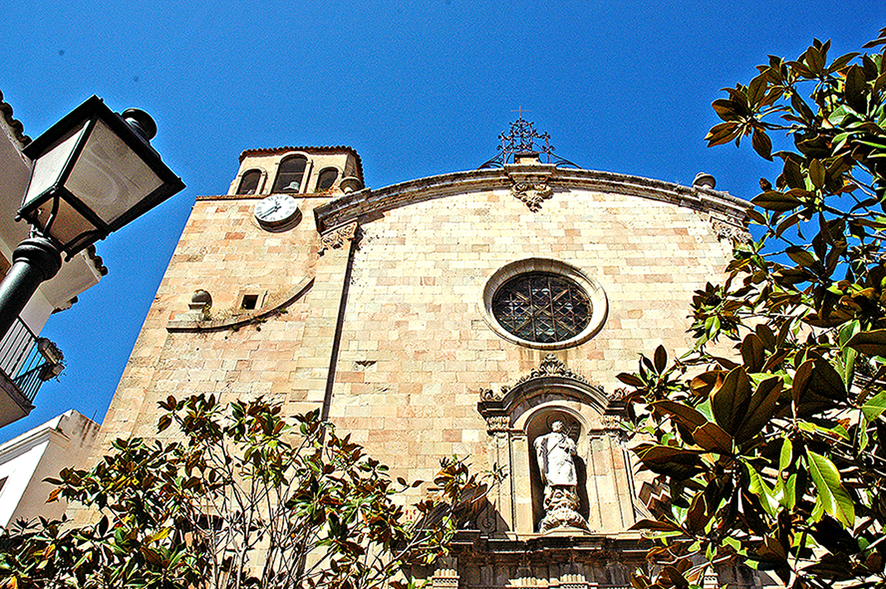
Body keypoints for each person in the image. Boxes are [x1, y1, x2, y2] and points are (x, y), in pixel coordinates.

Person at [534, 420, 577, 487]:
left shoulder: (567, 439)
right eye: (555, 425)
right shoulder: (549, 436)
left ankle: (567, 491)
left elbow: (574, 451)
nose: (557, 427)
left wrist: (568, 447)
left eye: (559, 425)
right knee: (553, 473)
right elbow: (539, 440)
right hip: (553, 458)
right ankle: (554, 490)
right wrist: (539, 444)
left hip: (565, 458)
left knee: (567, 473)